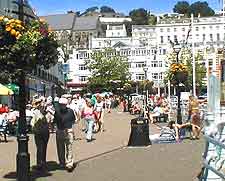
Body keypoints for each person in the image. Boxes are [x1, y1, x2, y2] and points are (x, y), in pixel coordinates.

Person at [53, 97, 75, 172]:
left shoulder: (70, 111)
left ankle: (69, 163)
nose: (62, 106)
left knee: (69, 147)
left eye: (63, 104)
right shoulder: (57, 112)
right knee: (60, 148)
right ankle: (62, 162)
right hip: (60, 130)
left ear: (66, 104)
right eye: (61, 105)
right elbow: (55, 121)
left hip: (68, 130)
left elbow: (73, 120)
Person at [30, 98, 49, 171]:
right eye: (42, 107)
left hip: (43, 132)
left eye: (44, 107)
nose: (43, 108)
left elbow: (50, 122)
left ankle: (42, 162)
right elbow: (32, 123)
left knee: (43, 148)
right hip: (40, 132)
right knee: (40, 148)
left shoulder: (46, 114)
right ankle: (40, 163)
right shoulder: (35, 112)